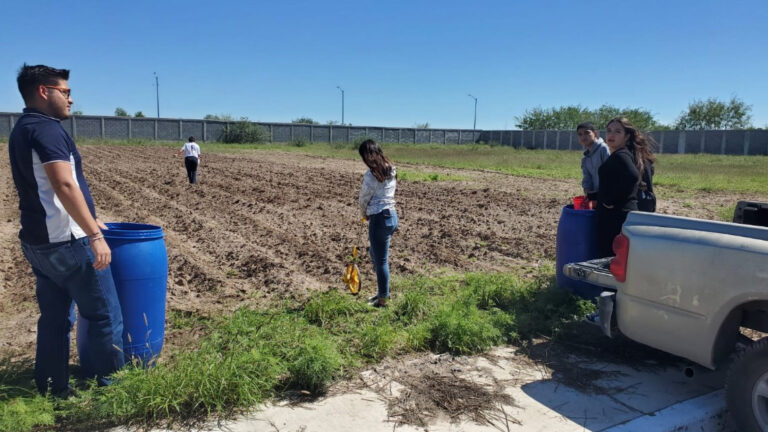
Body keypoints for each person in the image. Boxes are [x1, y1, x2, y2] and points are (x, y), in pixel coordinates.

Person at [8, 64, 124, 396]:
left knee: (55, 318)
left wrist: (90, 219)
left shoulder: (23, 128)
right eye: (66, 92)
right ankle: (112, 391)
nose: (71, 99)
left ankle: (52, 387)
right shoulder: (47, 129)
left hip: (38, 242)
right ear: (44, 91)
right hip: (68, 243)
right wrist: (95, 234)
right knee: (103, 316)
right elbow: (63, 183)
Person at [596, 117, 655, 257]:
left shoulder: (620, 155)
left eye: (617, 131)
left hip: (615, 217)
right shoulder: (631, 154)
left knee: (610, 257)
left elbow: (631, 176)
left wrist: (609, 201)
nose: (611, 135)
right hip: (627, 214)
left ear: (627, 136)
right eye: (609, 131)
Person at [358, 139, 398, 308]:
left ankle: (383, 300)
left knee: (380, 260)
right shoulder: (392, 169)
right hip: (392, 216)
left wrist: (364, 214)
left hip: (379, 218)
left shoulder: (371, 175)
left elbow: (364, 198)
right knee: (376, 255)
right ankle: (383, 292)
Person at [577, 122, 610, 204]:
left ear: (595, 134)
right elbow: (587, 179)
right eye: (580, 134)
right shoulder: (585, 158)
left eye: (587, 133)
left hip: (608, 197)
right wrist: (589, 195)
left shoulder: (604, 149)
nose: (583, 136)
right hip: (596, 198)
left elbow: (611, 174)